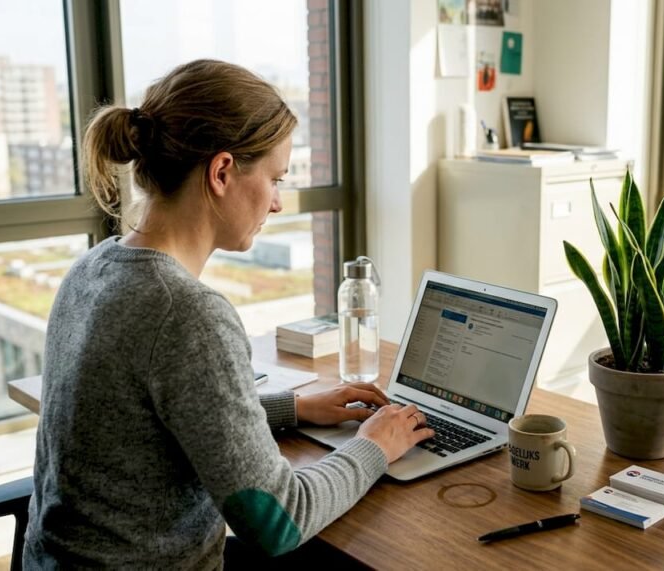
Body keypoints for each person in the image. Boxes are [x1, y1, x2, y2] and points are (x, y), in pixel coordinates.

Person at [24, 59, 435, 568]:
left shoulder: (91, 269)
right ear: (221, 172)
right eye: (275, 178)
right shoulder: (187, 315)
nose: (278, 203)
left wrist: (292, 409)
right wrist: (375, 444)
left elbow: (151, 421)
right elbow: (280, 522)